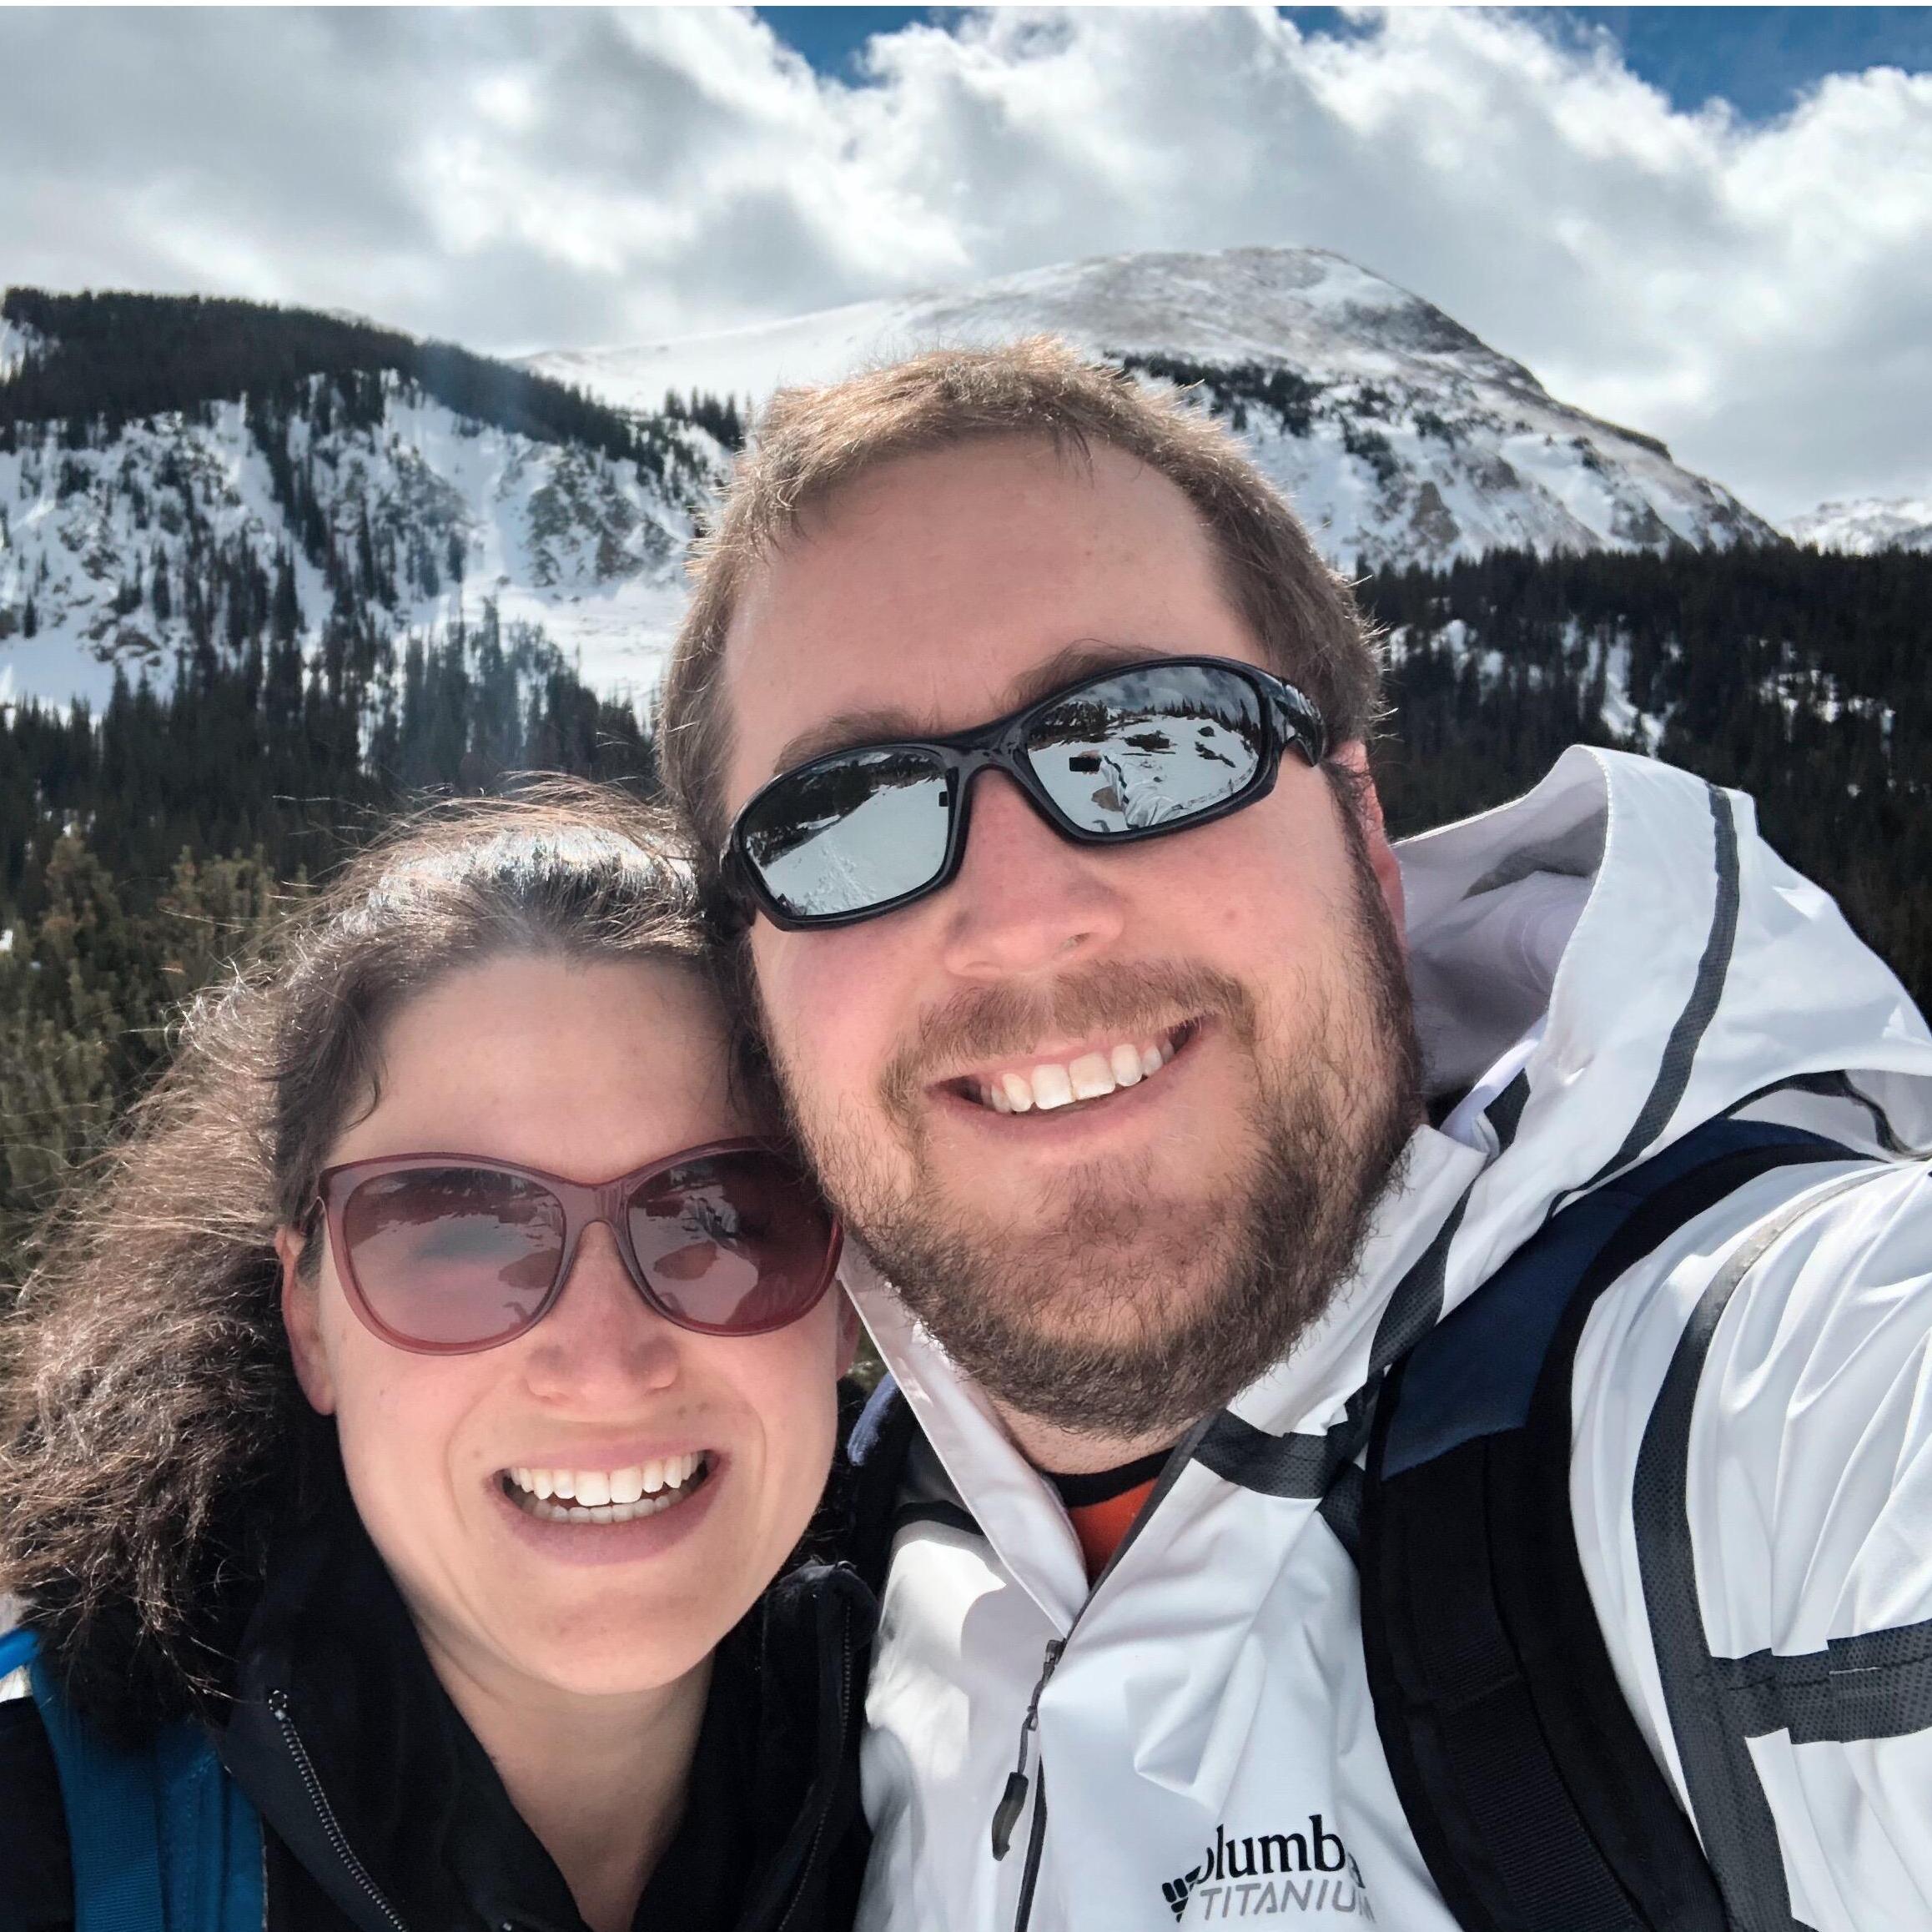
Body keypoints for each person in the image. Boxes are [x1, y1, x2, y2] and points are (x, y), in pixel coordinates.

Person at [659, 338, 1932, 1930]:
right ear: (755, 1001)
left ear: (1367, 848)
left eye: (1148, 741)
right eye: (841, 819)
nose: (1023, 916)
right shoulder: (801, 1599)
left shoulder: (1768, 1409)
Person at [0, 787, 868, 1932]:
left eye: (720, 1221)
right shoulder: (53, 1824)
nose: (605, 1363)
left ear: (850, 1294)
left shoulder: (993, 1755)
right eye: (460, 1238)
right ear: (312, 1326)